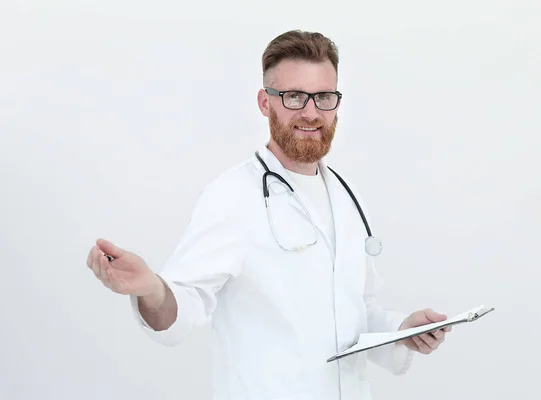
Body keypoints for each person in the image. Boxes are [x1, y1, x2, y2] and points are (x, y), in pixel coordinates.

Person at [86, 30, 451, 400]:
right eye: (294, 97)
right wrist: (151, 289)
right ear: (265, 102)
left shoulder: (346, 196)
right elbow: (184, 306)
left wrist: (403, 330)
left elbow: (359, 309)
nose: (311, 112)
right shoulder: (231, 196)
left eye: (323, 97)